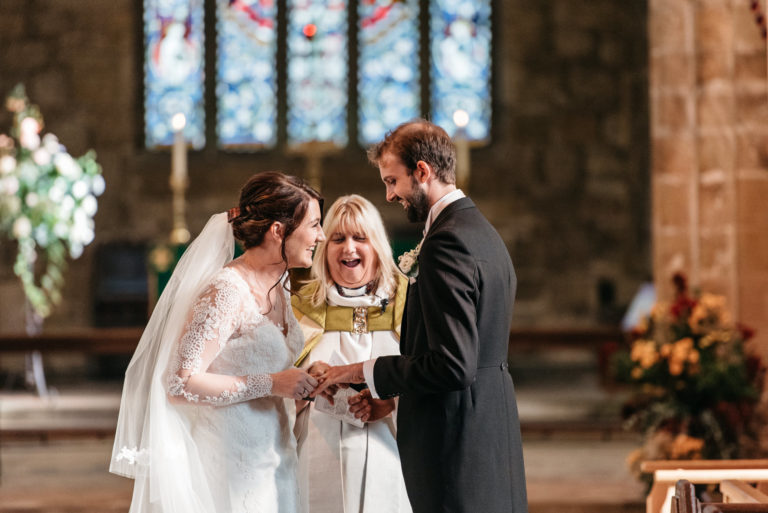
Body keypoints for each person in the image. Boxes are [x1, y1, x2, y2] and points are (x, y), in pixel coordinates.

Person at [313, 120, 528, 513]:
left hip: (455, 443)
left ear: (423, 172)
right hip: (490, 430)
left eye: (393, 180)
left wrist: (359, 370)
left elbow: (452, 365)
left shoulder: (446, 242)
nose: (390, 194)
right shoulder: (482, 232)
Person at [110, 171, 326, 513]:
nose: (321, 235)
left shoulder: (280, 286)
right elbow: (179, 384)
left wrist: (298, 383)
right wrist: (271, 383)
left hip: (274, 452)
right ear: (278, 231)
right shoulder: (226, 291)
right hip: (229, 461)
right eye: (314, 225)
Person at [290, 195, 412, 513]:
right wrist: (308, 381)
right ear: (324, 248)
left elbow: (430, 374)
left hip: (394, 453)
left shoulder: (408, 301)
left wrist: (391, 403)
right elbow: (273, 388)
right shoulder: (301, 304)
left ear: (378, 245)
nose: (349, 248)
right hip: (316, 451)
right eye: (338, 238)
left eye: (360, 238)